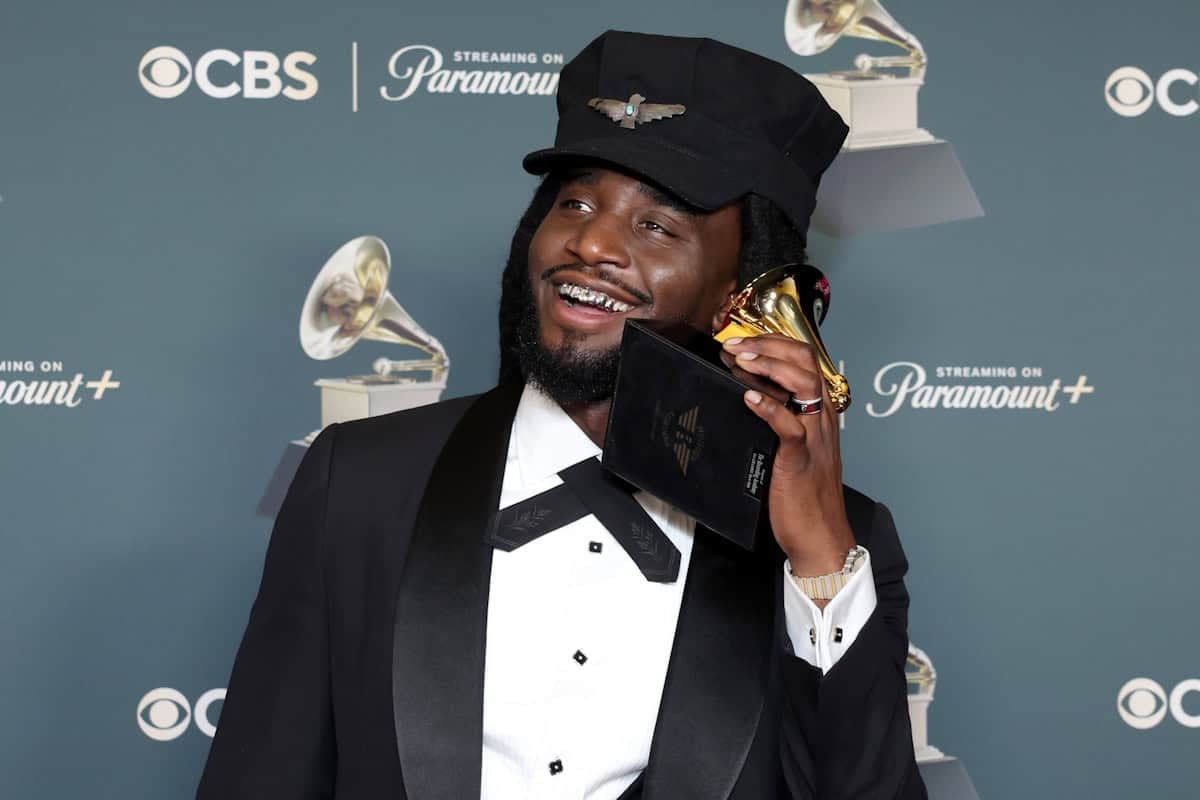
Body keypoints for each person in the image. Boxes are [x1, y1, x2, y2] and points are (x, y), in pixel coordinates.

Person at [198, 30, 926, 800]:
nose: (591, 242)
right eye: (574, 202)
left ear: (741, 291)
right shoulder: (362, 481)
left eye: (657, 225)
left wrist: (817, 562)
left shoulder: (843, 545)